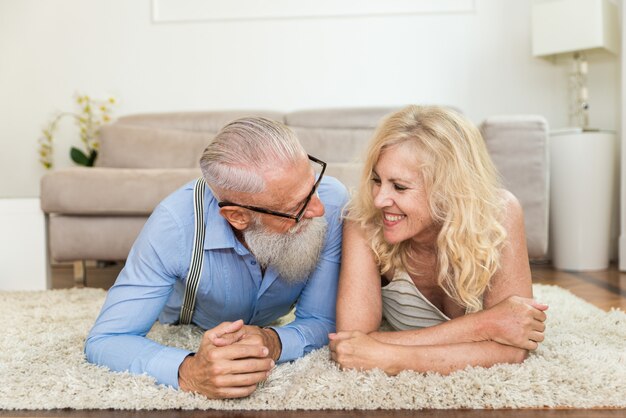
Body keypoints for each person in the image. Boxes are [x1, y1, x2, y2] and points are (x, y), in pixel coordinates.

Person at [85, 117, 348, 399]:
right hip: (184, 325)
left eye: (313, 185)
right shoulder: (173, 226)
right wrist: (189, 371)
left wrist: (273, 341)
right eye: (298, 207)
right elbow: (106, 340)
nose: (319, 209)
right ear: (237, 216)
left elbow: (322, 319)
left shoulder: (331, 202)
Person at [329, 105, 548, 375]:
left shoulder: (499, 212)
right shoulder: (362, 219)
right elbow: (350, 344)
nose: (379, 199)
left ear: (449, 188)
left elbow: (514, 348)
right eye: (377, 180)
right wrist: (487, 324)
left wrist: (390, 356)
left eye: (399, 186)